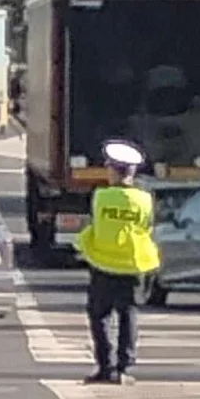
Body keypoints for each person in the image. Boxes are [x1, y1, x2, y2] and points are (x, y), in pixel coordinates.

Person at [74, 140, 161, 384]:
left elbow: (94, 225)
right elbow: (147, 226)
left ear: (114, 170)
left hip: (103, 265)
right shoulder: (145, 200)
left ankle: (105, 366)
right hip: (133, 266)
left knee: (99, 316)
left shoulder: (100, 197)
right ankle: (124, 367)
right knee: (128, 314)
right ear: (132, 173)